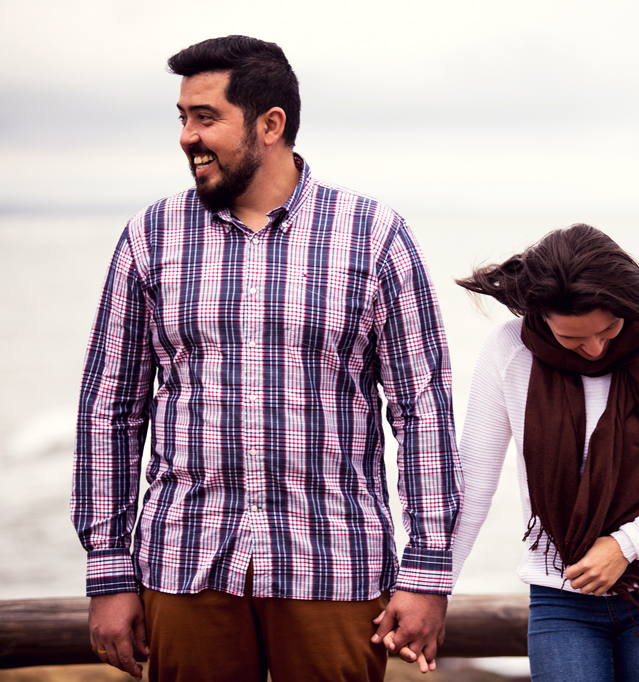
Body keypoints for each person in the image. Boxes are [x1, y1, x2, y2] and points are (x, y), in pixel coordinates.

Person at [71, 35, 461, 682]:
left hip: (334, 567)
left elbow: (424, 413)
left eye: (206, 117)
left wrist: (427, 572)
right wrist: (108, 571)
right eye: (182, 117)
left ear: (270, 125)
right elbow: (109, 410)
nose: (186, 136)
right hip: (184, 565)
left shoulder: (374, 237)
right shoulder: (150, 236)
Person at [451, 224, 639, 681]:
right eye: (573, 338)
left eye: (609, 329)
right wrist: (432, 588)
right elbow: (472, 483)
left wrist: (623, 546)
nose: (594, 349)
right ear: (540, 315)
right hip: (562, 595)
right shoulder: (509, 350)